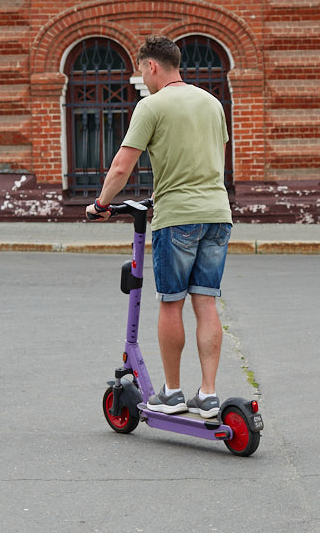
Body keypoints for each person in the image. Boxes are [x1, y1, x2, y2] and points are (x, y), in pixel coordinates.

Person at [86, 35, 233, 419]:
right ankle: (209, 394)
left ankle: (171, 392)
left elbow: (122, 166)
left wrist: (100, 205)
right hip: (217, 214)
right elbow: (215, 160)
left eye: (141, 70)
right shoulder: (212, 103)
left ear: (151, 65)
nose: (143, 78)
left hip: (178, 217)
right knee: (206, 302)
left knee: (171, 302)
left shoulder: (151, 106)